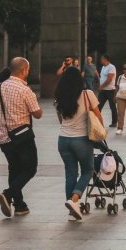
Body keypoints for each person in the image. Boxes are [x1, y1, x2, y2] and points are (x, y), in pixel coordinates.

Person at [0, 57, 42, 217]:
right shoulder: (25, 90)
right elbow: (37, 114)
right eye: (27, 70)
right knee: (30, 168)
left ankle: (20, 206)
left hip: (4, 137)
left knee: (14, 169)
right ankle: (8, 195)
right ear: (24, 71)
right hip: (22, 137)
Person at [54, 66, 101, 221]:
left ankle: (72, 212)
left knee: (70, 173)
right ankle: (75, 199)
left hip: (63, 140)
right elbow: (98, 117)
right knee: (88, 170)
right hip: (81, 139)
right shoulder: (87, 94)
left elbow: (61, 119)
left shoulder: (59, 97)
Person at [96, 55, 117, 128]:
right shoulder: (103, 67)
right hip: (103, 91)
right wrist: (100, 85)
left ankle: (114, 122)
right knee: (98, 106)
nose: (100, 60)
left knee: (112, 106)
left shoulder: (111, 67)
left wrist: (101, 86)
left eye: (102, 59)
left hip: (110, 90)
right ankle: (96, 121)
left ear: (105, 59)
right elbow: (102, 78)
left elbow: (110, 79)